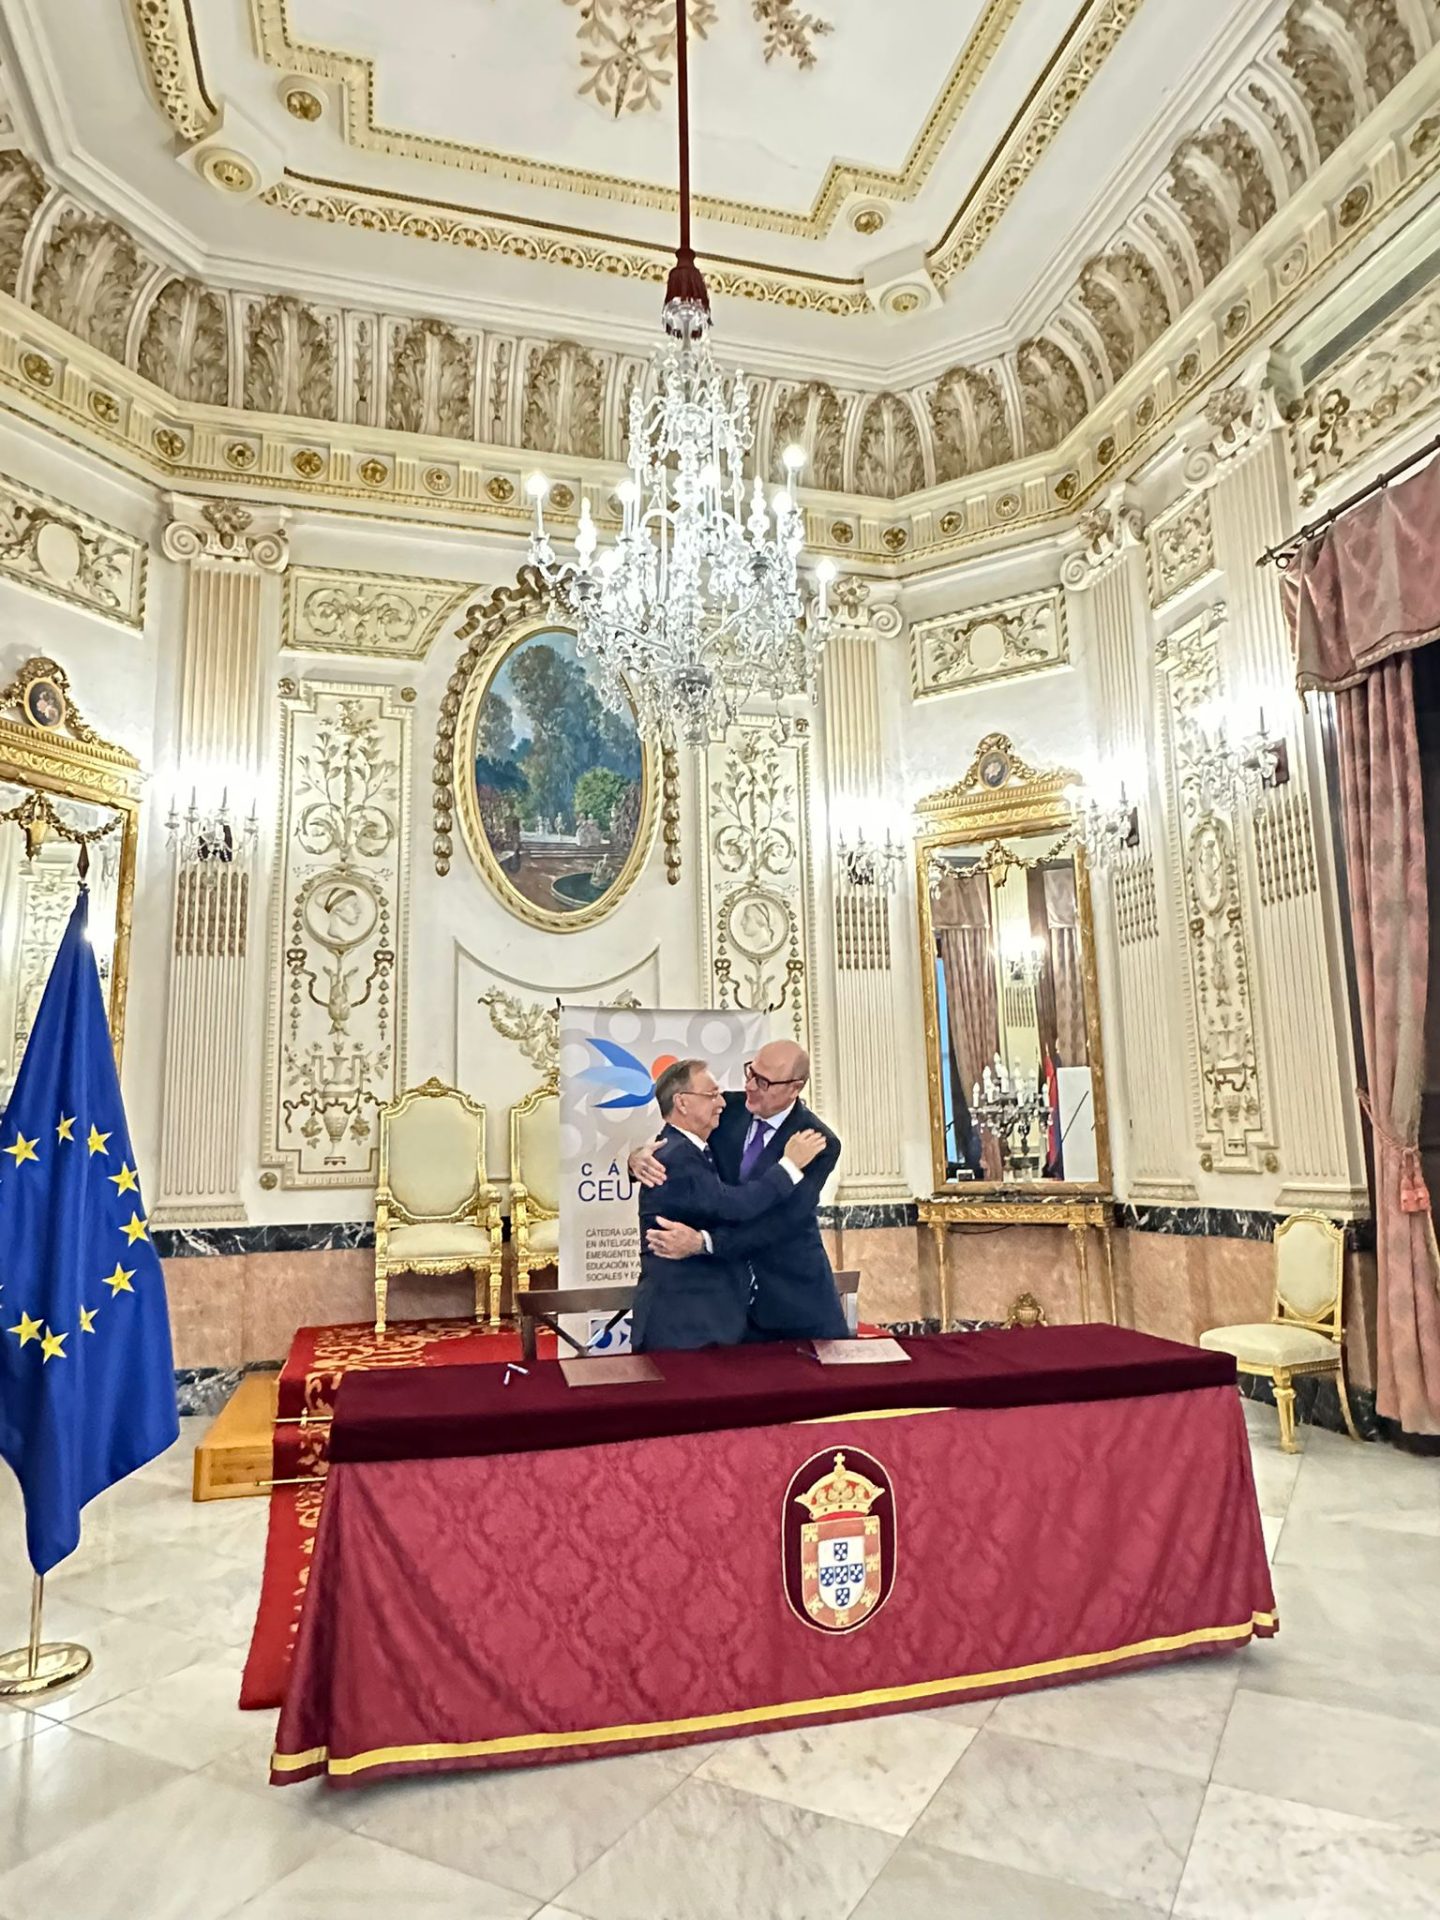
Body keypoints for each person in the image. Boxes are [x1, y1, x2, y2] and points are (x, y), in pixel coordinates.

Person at [632, 1041, 848, 1342]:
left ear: (794, 1088)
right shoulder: (727, 1107)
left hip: (790, 1299)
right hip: (721, 1307)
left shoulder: (818, 1142)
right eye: (751, 1072)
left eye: (764, 1081)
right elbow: (677, 1147)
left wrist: (704, 1243)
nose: (750, 1086)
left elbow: (778, 1224)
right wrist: (636, 1159)